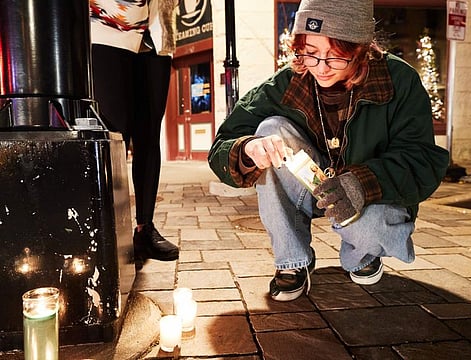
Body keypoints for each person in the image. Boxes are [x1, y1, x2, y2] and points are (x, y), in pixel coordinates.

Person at [208, 0, 449, 302]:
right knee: (270, 129)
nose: (320, 68)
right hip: (309, 186)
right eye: (310, 52)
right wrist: (246, 149)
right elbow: (223, 144)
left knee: (374, 230)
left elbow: (423, 160)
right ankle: (292, 261)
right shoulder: (289, 80)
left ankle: (361, 255)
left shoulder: (399, 81)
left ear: (360, 50)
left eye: (336, 57)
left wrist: (363, 183)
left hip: (370, 194)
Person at [90, 0, 179, 269]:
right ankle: (108, 232)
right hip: (109, 28)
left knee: (149, 136)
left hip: (157, 33)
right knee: (115, 135)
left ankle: (144, 229)